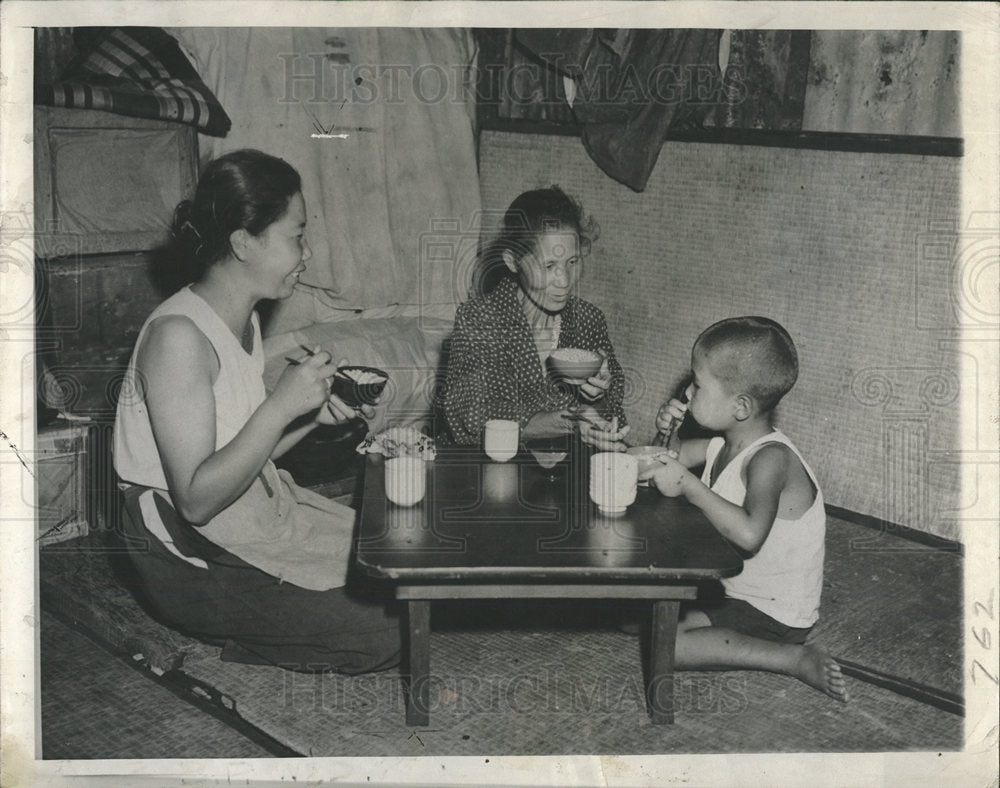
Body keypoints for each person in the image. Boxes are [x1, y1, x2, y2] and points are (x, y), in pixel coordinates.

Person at [113, 149, 399, 674]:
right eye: (297, 235)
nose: (306, 254)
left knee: (405, 569)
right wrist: (280, 405)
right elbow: (197, 499)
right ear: (244, 241)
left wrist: (310, 416)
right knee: (388, 623)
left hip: (241, 511)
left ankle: (275, 612)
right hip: (182, 549)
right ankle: (234, 638)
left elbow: (244, 454)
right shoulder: (178, 336)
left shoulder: (241, 322)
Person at [641, 317, 848, 701]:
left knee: (665, 647)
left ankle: (792, 659)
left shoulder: (771, 458)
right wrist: (665, 432)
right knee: (636, 615)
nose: (687, 391)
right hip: (730, 591)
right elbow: (664, 462)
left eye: (697, 385)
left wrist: (690, 486)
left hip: (772, 612)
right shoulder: (723, 443)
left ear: (741, 407)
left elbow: (750, 535)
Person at [444, 186, 629, 451]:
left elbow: (611, 411)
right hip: (494, 465)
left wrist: (597, 397)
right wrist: (571, 421)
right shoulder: (480, 319)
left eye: (573, 262)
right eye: (549, 266)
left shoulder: (588, 320)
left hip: (568, 468)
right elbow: (476, 417)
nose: (564, 281)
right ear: (512, 262)